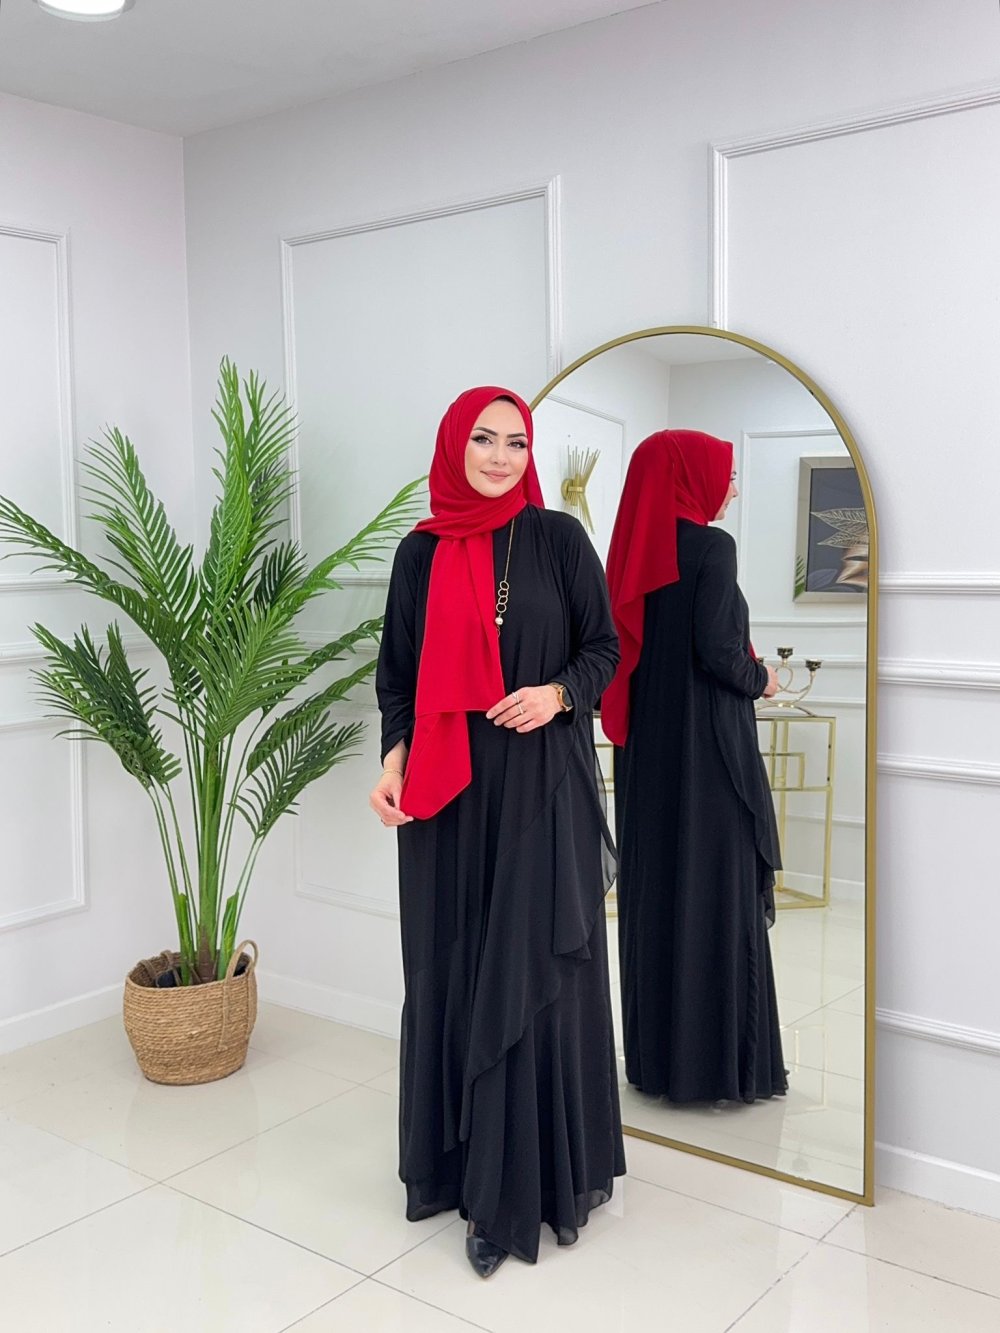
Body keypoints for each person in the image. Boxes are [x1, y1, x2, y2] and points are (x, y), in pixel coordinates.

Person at [371, 386, 625, 1278]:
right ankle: (455, 1169)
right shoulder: (419, 552)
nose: (500, 455)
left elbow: (605, 648)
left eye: (517, 441)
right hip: (447, 798)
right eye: (484, 438)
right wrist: (393, 763)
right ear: (454, 445)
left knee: (530, 973)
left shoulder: (558, 539)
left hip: (541, 788)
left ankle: (523, 1187)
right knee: (450, 968)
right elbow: (397, 677)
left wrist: (557, 694)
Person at [603, 430, 787, 1105]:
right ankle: (715, 1069)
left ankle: (658, 1064)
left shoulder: (631, 554)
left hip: (647, 751)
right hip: (708, 750)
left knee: (659, 888)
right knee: (717, 887)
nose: (732, 488)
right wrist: (762, 678)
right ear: (691, 476)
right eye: (726, 473)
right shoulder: (712, 547)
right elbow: (718, 649)